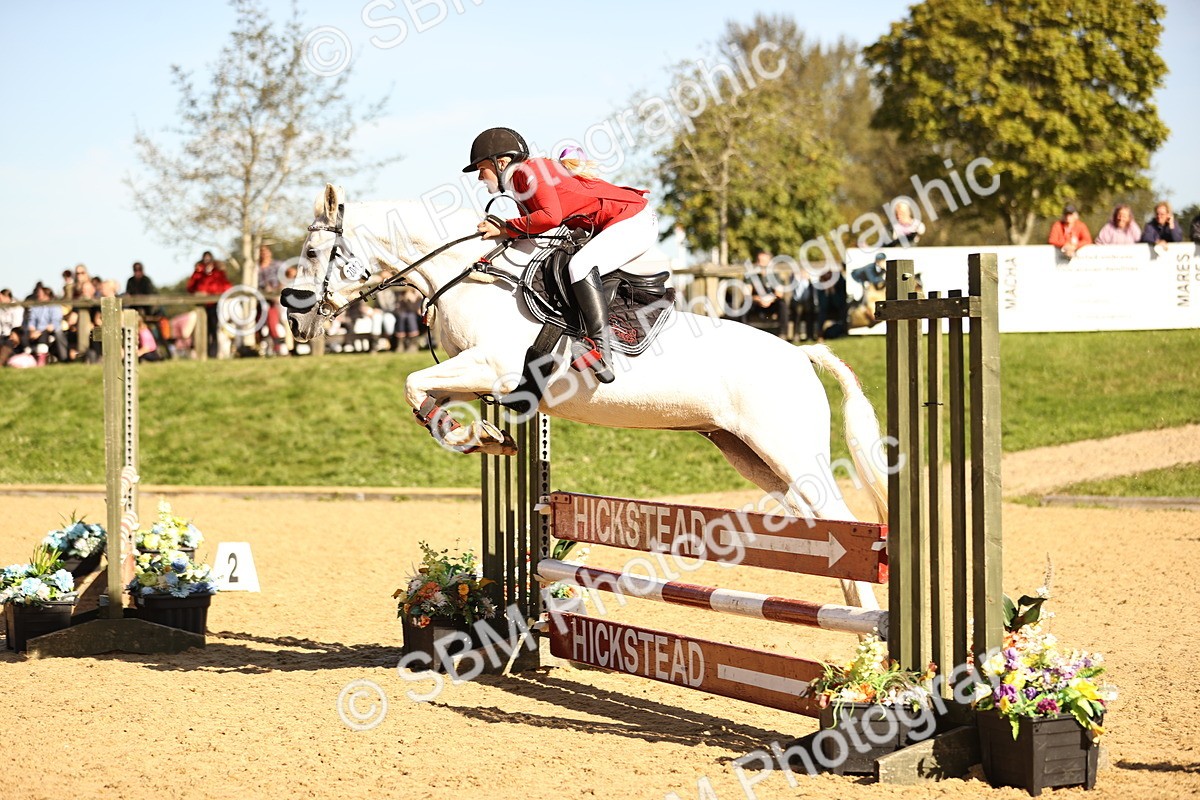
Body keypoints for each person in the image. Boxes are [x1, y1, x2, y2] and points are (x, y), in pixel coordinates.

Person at [465, 127, 658, 383]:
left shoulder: (530, 172)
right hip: (624, 222)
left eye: (481, 169)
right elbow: (540, 231)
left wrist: (505, 227)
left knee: (580, 266)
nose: (480, 177)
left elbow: (550, 218)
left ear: (501, 163)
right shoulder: (522, 180)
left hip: (635, 221)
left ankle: (601, 350)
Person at [187, 250, 232, 357]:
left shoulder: (218, 273)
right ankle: (203, 353)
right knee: (202, 330)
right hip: (201, 306)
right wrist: (196, 273)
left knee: (214, 329)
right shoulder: (198, 274)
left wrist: (217, 294)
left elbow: (226, 286)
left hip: (215, 304)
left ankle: (213, 353)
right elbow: (190, 287)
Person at [26, 284, 67, 364]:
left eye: (40, 294)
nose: (38, 295)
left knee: (43, 335)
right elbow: (32, 320)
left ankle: (41, 361)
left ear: (47, 295)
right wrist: (32, 331)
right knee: (25, 335)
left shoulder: (54, 306)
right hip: (37, 331)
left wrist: (39, 332)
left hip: (50, 331)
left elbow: (54, 323)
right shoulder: (35, 307)